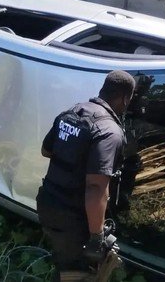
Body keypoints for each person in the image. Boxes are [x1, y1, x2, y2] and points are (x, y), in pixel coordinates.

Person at [37, 70, 136, 280]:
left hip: (48, 203)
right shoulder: (110, 131)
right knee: (80, 274)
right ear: (125, 99)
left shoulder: (72, 112)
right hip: (73, 216)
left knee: (66, 262)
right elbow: (96, 188)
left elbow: (46, 150)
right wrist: (96, 236)